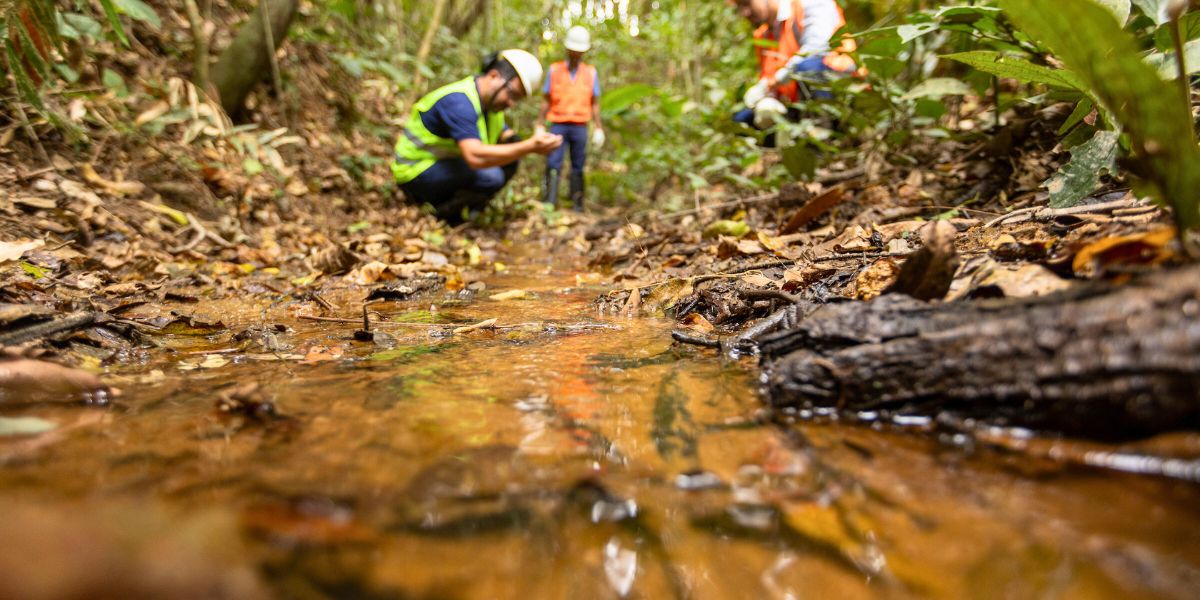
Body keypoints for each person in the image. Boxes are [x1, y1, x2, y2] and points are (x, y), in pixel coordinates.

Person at [391, 49, 564, 223]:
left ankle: (460, 211)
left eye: (517, 99)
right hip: (413, 172)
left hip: (441, 167)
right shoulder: (459, 102)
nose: (511, 103)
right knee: (490, 176)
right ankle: (444, 215)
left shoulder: (491, 106)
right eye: (512, 94)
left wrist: (536, 140)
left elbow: (505, 134)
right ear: (494, 76)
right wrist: (529, 147)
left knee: (510, 161)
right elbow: (475, 156)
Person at [731, 0, 859, 132]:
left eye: (746, 3)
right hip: (796, 101)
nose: (744, 13)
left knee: (807, 67)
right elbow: (769, 76)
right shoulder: (763, 35)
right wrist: (766, 97)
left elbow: (816, 49)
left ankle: (830, 133)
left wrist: (771, 83)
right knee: (741, 120)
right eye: (739, 7)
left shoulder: (811, 4)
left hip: (841, 85)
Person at [537, 25, 605, 211]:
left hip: (580, 126)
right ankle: (549, 204)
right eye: (573, 50)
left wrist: (598, 128)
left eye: (579, 51)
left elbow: (595, 103)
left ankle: (577, 205)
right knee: (553, 163)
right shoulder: (554, 70)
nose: (576, 54)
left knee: (578, 165)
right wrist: (540, 124)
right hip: (557, 124)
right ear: (567, 49)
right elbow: (545, 99)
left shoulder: (591, 73)